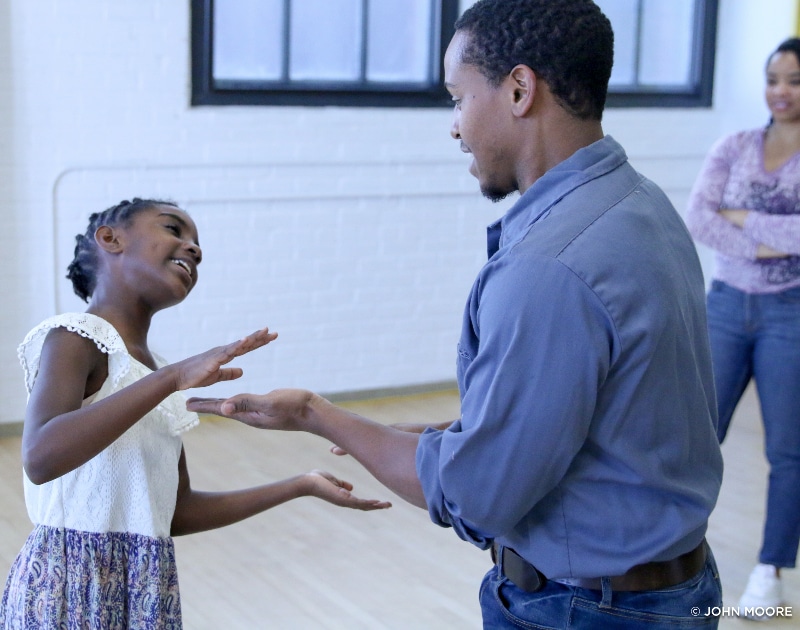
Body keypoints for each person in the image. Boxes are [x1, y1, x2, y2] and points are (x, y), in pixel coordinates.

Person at [188, 1, 725, 627]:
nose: (454, 127)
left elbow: (476, 496)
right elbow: (605, 416)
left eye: (457, 98)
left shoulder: (549, 267)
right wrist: (443, 435)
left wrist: (316, 414)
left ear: (520, 89)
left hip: (585, 609)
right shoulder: (641, 204)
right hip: (678, 588)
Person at [0, 198, 390, 630]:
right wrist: (171, 379)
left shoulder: (156, 373)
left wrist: (300, 485)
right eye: (174, 229)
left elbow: (175, 512)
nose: (194, 249)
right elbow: (40, 457)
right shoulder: (76, 337)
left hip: (146, 588)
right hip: (68, 589)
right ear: (111, 239)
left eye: (198, 244)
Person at [685, 37, 800, 620]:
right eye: (773, 78)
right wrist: (770, 238)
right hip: (726, 306)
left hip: (791, 312)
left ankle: (770, 572)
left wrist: (744, 221)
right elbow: (698, 215)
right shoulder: (734, 145)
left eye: (795, 80)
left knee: (790, 452)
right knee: (698, 435)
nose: (781, 91)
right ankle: (675, 547)